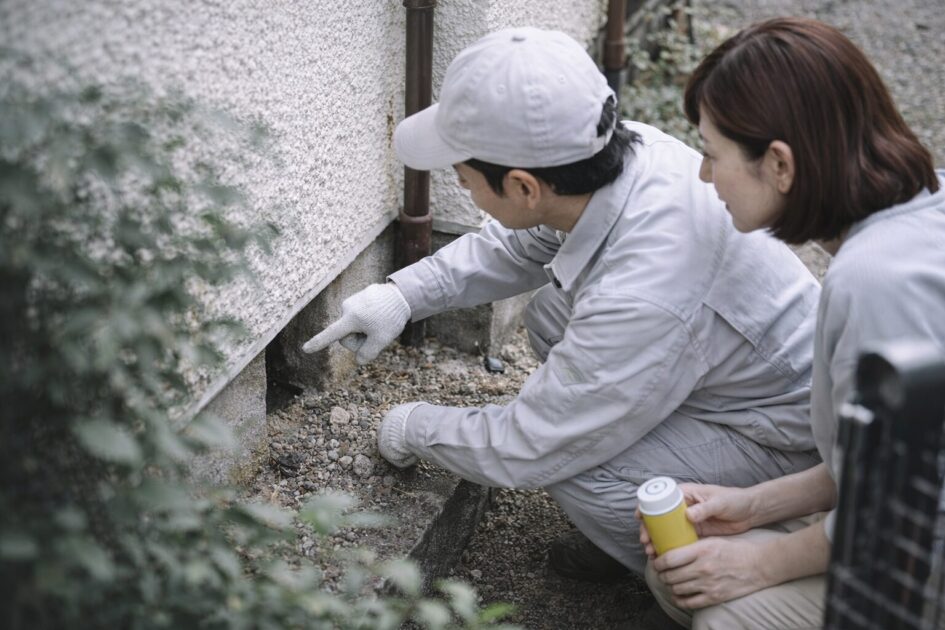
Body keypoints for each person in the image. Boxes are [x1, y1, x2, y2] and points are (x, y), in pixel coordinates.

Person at [302, 26, 823, 581]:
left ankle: (700, 570)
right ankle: (638, 494)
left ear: (524, 187)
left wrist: (415, 427)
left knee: (578, 466)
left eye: (464, 179)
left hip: (785, 445)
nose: (463, 187)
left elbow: (530, 445)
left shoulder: (641, 292)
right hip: (733, 381)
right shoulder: (626, 157)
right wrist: (402, 296)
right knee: (553, 316)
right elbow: (522, 242)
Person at [642, 17, 945, 629]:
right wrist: (752, 506)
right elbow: (894, 460)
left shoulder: (875, 283)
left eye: (712, 154)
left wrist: (758, 565)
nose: (704, 175)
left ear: (780, 164)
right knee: (688, 565)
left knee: (724, 608)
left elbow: (916, 509)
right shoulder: (924, 207)